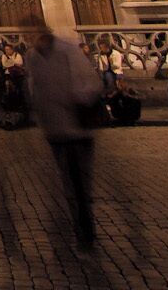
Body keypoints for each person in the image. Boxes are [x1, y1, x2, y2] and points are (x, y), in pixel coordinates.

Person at [23, 16, 104, 251]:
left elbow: (91, 83)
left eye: (31, 32)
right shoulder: (32, 57)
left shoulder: (67, 50)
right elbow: (35, 89)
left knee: (80, 184)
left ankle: (85, 231)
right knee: (68, 183)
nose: (28, 38)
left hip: (77, 128)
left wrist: (75, 101)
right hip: (55, 130)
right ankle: (79, 229)